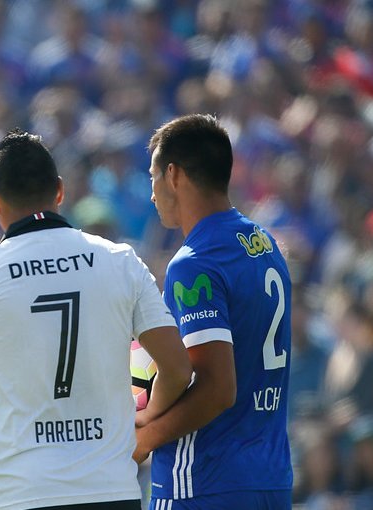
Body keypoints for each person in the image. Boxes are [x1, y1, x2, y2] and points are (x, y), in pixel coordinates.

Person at [0, 129, 193, 510]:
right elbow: (177, 368)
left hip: (24, 496)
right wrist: (144, 425)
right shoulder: (121, 261)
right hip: (112, 490)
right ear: (60, 191)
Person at [135, 114, 293, 508]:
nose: (152, 194)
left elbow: (217, 388)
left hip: (205, 480)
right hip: (270, 479)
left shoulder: (195, 262)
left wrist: (144, 439)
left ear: (173, 175)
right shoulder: (265, 243)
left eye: (153, 177)